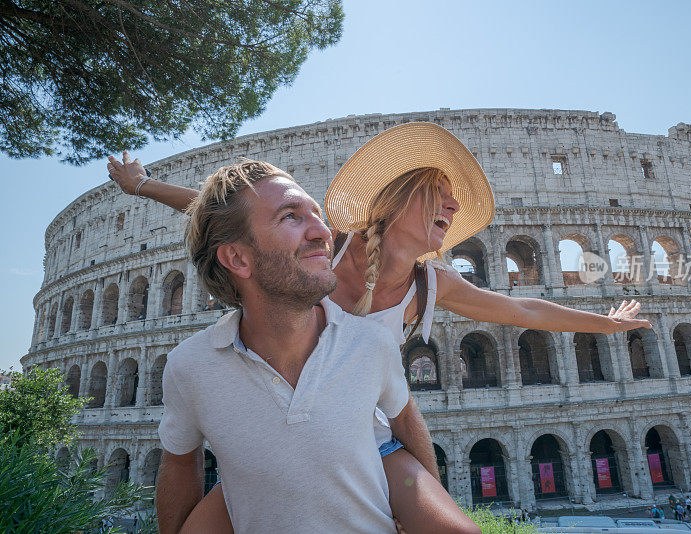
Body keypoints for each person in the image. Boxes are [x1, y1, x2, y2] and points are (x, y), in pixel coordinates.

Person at [108, 122, 651, 532]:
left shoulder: (433, 284)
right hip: (271, 434)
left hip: (367, 436)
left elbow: (524, 311)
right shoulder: (330, 244)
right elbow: (227, 215)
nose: (452, 205)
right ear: (398, 200)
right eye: (438, 193)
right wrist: (145, 186)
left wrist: (604, 324)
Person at [148, 160, 479, 533]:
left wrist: (420, 505)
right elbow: (178, 463)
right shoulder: (189, 367)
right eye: (290, 217)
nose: (323, 231)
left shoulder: (372, 342)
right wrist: (143, 185)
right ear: (238, 257)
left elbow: (404, 419)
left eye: (318, 215)